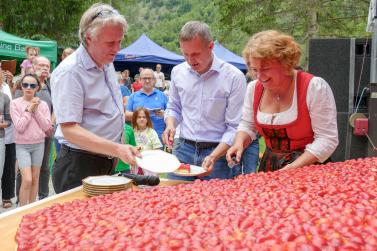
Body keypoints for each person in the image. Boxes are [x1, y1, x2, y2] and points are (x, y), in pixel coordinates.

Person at [50, 3, 140, 194]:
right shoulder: (70, 72)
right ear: (89, 37)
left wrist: (120, 149)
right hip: (78, 165)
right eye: (110, 43)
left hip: (105, 160)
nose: (117, 48)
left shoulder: (105, 61)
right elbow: (69, 130)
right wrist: (117, 149)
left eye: (119, 41)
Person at [226, 30, 339, 172]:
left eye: (265, 68)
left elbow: (327, 139)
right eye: (254, 69)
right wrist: (239, 142)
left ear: (286, 63)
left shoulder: (314, 87)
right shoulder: (253, 89)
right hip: (270, 166)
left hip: (310, 167)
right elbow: (248, 125)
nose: (259, 76)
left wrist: (294, 167)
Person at [163, 21, 246, 180]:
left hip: (218, 152)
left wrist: (214, 156)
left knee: (215, 203)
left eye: (195, 54)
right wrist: (170, 124)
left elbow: (234, 126)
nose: (190, 60)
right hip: (182, 149)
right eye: (185, 54)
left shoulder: (233, 77)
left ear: (210, 46)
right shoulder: (177, 72)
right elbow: (174, 107)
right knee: (173, 201)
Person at [10, 74, 52, 206]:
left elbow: (46, 126)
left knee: (35, 178)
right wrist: (29, 109)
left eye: (32, 85)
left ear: (37, 88)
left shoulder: (43, 104)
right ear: (21, 86)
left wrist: (35, 110)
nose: (28, 88)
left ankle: (31, 209)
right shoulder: (14, 103)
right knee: (27, 179)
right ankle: (22, 210)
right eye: (25, 85)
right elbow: (20, 127)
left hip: (39, 144)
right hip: (22, 145)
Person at [126, 68, 168, 142]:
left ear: (154, 80)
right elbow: (126, 116)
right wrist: (142, 114)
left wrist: (164, 114)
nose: (147, 81)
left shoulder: (162, 96)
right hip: (138, 138)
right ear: (140, 80)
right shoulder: (133, 96)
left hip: (158, 137)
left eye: (149, 78)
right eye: (145, 78)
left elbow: (171, 114)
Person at [0, 69, 15, 208]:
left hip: (3, 136)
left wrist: (2, 124)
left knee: (3, 168)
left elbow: (9, 118)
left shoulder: (5, 94)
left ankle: (5, 197)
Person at [131, 107, 162, 175]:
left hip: (149, 166)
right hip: (135, 165)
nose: (142, 119)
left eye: (144, 117)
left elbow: (158, 150)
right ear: (135, 119)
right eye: (139, 117)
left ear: (147, 119)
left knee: (149, 184)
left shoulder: (152, 132)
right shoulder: (131, 132)